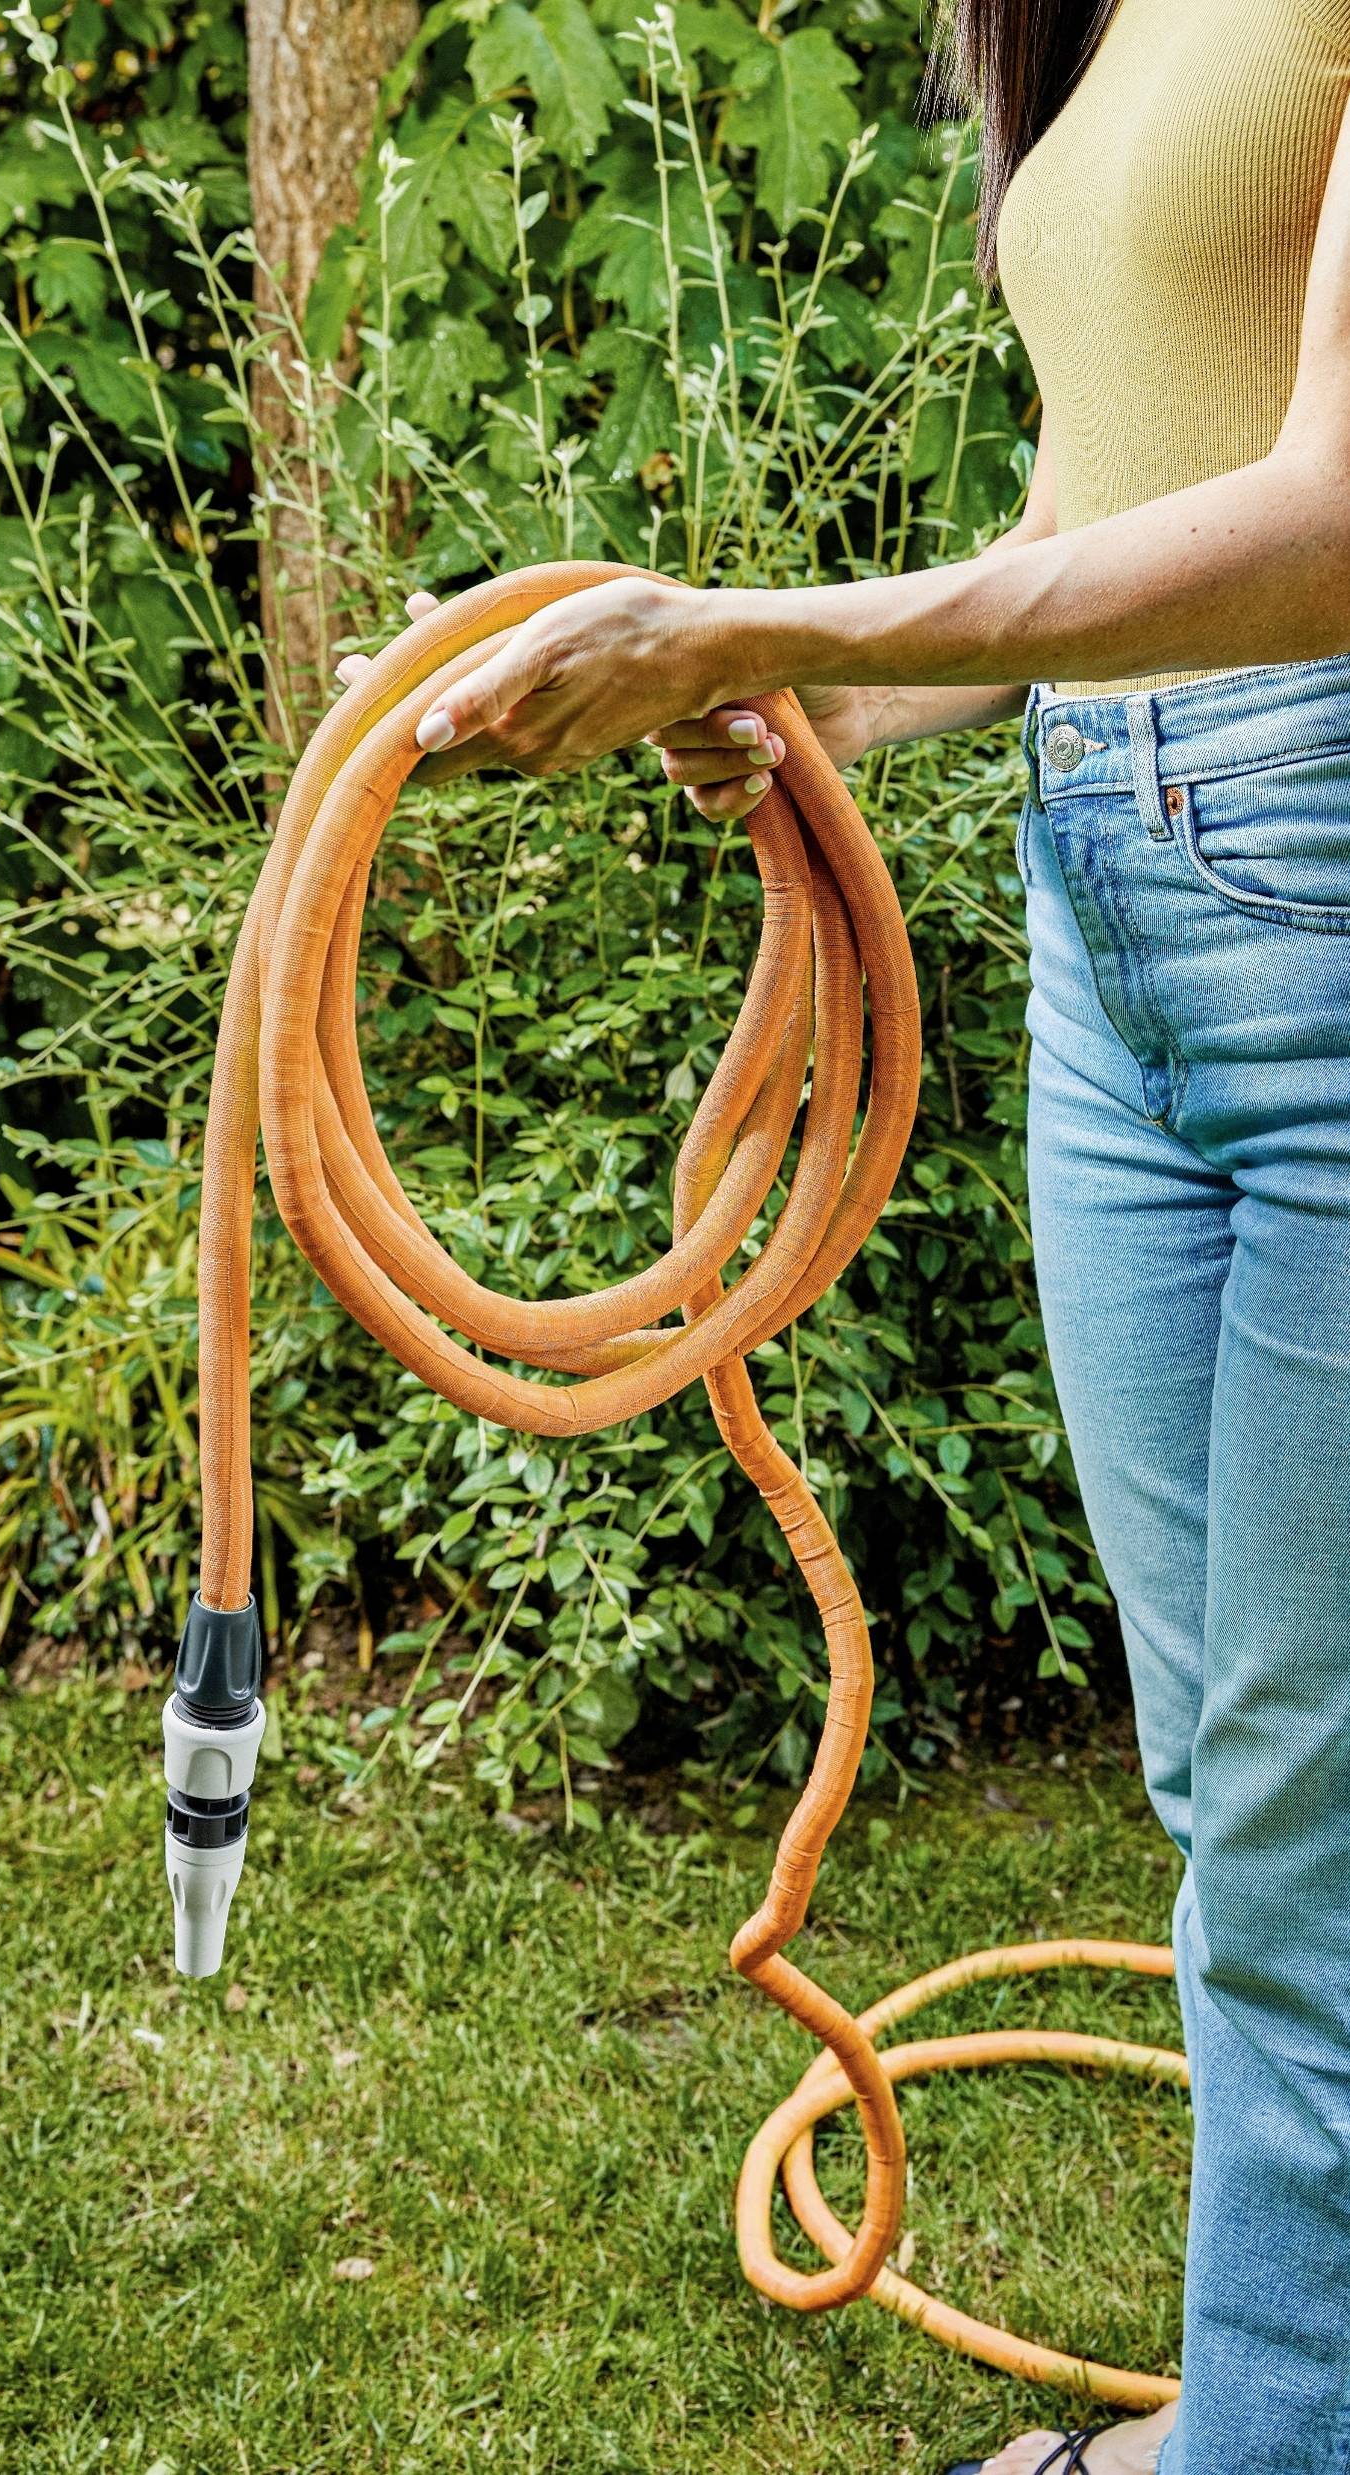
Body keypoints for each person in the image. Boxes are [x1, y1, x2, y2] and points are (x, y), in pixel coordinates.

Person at [338, 2, 1350, 2466]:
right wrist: (800, 703)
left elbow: (1332, 518)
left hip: (1320, 897)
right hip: (1121, 910)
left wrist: (779, 627)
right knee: (1237, 1795)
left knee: (1304, 1826)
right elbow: (1101, 488)